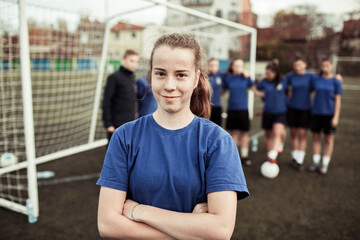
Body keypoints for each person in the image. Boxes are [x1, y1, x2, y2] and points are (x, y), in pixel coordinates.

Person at [97, 33, 249, 239]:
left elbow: (219, 231)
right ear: (150, 76)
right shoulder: (124, 137)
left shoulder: (218, 142)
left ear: (195, 79)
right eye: (160, 73)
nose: (169, 85)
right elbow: (108, 224)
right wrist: (190, 230)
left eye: (180, 75)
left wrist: (140, 211)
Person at [222, 57, 259, 166]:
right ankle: (234, 156)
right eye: (236, 66)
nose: (238, 68)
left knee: (244, 133)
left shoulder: (246, 78)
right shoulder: (228, 78)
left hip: (243, 110)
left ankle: (244, 156)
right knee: (233, 133)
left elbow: (256, 90)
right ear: (232, 67)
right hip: (232, 109)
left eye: (240, 66)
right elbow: (221, 92)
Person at [308, 57, 343, 174]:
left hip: (329, 115)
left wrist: (336, 117)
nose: (325, 68)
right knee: (316, 138)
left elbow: (338, 100)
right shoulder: (316, 79)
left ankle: (325, 163)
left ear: (331, 66)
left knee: (328, 139)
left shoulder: (336, 81)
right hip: (316, 114)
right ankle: (316, 162)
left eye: (327, 66)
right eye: (323, 66)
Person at [285, 55, 316, 170]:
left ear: (305, 64)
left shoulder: (311, 76)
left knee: (302, 134)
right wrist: (289, 98)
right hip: (292, 108)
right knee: (293, 133)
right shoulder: (290, 76)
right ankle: (294, 158)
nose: (297, 67)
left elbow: (315, 87)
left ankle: (300, 160)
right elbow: (283, 89)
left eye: (300, 64)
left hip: (305, 109)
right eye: (295, 65)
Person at [102, 49, 139, 141]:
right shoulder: (114, 77)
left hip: (130, 123)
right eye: (131, 61)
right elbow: (106, 101)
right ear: (123, 60)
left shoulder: (132, 77)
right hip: (116, 125)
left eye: (136, 62)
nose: (134, 64)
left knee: (128, 153)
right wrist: (108, 124)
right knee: (115, 154)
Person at [256, 60, 287, 167]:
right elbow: (256, 88)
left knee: (277, 133)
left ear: (275, 73)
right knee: (268, 135)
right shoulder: (263, 82)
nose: (267, 75)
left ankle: (272, 155)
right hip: (268, 112)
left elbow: (288, 93)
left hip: (280, 112)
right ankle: (270, 155)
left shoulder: (283, 81)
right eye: (266, 73)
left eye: (269, 73)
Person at [208, 58, 224, 126]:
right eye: (211, 65)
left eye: (215, 65)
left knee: (217, 129)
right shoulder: (204, 76)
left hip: (217, 106)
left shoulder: (222, 76)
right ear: (208, 66)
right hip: (207, 106)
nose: (213, 67)